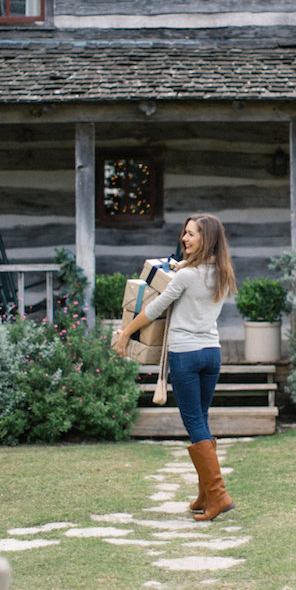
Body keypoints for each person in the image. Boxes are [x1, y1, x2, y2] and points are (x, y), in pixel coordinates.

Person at [113, 213, 237, 521]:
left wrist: (126, 332)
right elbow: (194, 274)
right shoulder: (222, 273)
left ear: (205, 238)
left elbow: (153, 309)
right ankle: (206, 493)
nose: (185, 238)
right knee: (201, 421)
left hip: (186, 354)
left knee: (194, 422)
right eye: (185, 233)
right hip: (212, 354)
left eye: (192, 234)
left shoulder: (185, 276)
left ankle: (218, 495)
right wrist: (183, 265)